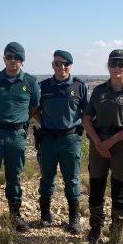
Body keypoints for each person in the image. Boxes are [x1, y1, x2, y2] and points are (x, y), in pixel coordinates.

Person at [82, 49, 123, 244]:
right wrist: (98, 142)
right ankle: (95, 228)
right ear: (108, 65)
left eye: (122, 64)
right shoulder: (100, 90)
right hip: (98, 144)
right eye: (113, 63)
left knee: (119, 191)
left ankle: (116, 233)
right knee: (96, 187)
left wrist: (109, 143)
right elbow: (86, 118)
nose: (117, 68)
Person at [0, 42, 40, 232]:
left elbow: (33, 108)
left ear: (22, 60)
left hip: (16, 135)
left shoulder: (30, 82)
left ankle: (14, 214)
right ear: (4, 58)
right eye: (9, 57)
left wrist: (18, 122)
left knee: (15, 175)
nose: (13, 61)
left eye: (17, 57)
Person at [37, 50, 88, 234]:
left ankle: (74, 219)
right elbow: (35, 109)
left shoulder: (79, 86)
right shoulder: (43, 86)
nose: (62, 67)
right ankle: (45, 215)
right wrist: (45, 124)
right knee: (47, 177)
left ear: (71, 66)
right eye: (58, 63)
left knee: (72, 179)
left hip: (70, 139)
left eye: (66, 64)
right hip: (48, 138)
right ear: (53, 65)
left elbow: (86, 114)